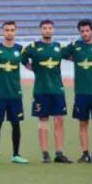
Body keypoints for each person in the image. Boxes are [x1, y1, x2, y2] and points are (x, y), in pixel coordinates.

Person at [62, 18, 92, 163]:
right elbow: (62, 54)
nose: (84, 33)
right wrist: (75, 59)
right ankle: (85, 154)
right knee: (83, 124)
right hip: (81, 92)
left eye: (87, 31)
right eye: (82, 31)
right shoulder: (75, 45)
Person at [22, 20, 71, 163]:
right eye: (45, 28)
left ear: (53, 30)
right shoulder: (33, 47)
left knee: (59, 120)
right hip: (41, 90)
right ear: (40, 30)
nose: (47, 30)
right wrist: (31, 67)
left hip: (57, 90)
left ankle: (59, 153)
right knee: (43, 120)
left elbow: (73, 56)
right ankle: (45, 153)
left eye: (50, 28)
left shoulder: (59, 47)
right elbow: (22, 57)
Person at [0, 21, 27, 164]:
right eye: (7, 30)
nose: (9, 32)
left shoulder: (20, 49)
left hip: (15, 94)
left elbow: (30, 65)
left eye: (12, 30)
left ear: (16, 32)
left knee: (16, 124)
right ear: (2, 32)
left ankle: (16, 155)